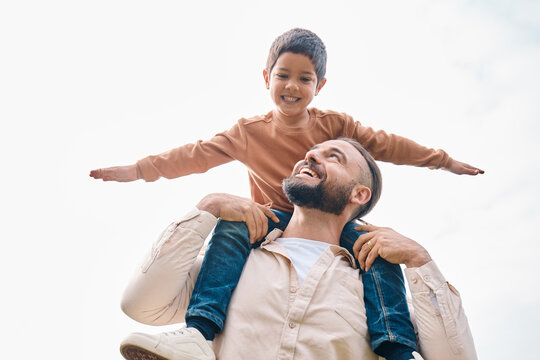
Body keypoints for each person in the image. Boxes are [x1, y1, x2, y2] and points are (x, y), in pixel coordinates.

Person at [90, 28, 483, 359]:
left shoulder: (337, 125)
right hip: (267, 222)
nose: (292, 86)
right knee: (234, 222)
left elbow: (388, 145)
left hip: (336, 227)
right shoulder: (247, 133)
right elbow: (194, 155)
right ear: (266, 78)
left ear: (320, 85)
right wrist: (139, 170)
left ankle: (397, 351)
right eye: (283, 75)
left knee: (376, 252)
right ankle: (199, 333)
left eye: (305, 78)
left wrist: (442, 160)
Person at [119, 138, 478, 360]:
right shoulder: (230, 266)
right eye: (310, 153)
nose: (310, 157)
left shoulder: (382, 296)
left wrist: (420, 261)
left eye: (333, 157)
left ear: (359, 194)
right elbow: (140, 304)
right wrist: (207, 208)